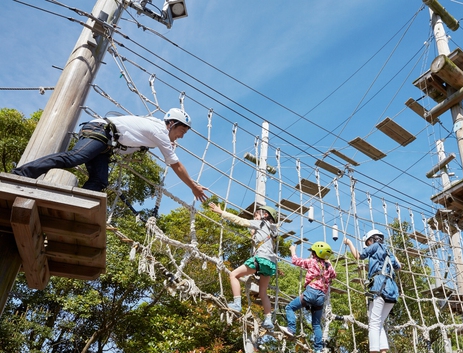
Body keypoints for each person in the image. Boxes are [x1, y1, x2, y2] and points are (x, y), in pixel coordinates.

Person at [11, 108, 208, 201]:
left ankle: (79, 203)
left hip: (106, 145)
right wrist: (193, 187)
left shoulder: (156, 136)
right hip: (99, 131)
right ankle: (20, 174)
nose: (182, 136)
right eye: (183, 131)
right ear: (173, 124)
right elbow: (176, 165)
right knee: (75, 158)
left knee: (99, 180)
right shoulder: (159, 131)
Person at [209, 202, 278, 330]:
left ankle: (237, 303)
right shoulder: (273, 230)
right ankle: (268, 319)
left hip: (260, 259)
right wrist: (253, 234)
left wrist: (221, 213)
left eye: (257, 215)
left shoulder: (260, 223)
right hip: (270, 263)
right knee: (263, 292)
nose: (255, 217)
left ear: (265, 215)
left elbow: (240, 221)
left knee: (233, 274)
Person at [345, 229, 401, 353]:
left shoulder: (375, 246)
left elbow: (359, 255)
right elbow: (398, 266)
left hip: (379, 287)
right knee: (379, 323)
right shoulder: (388, 251)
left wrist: (349, 243)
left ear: (372, 240)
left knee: (373, 323)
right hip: (392, 291)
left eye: (367, 243)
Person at [280, 241, 337, 353]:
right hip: (321, 297)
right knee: (316, 324)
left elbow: (296, 261)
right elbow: (334, 275)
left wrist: (292, 251)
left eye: (313, 252)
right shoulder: (328, 266)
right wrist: (328, 262)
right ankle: (318, 348)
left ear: (315, 254)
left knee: (290, 308)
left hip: (311, 292)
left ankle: (291, 329)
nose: (311, 254)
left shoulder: (312, 262)